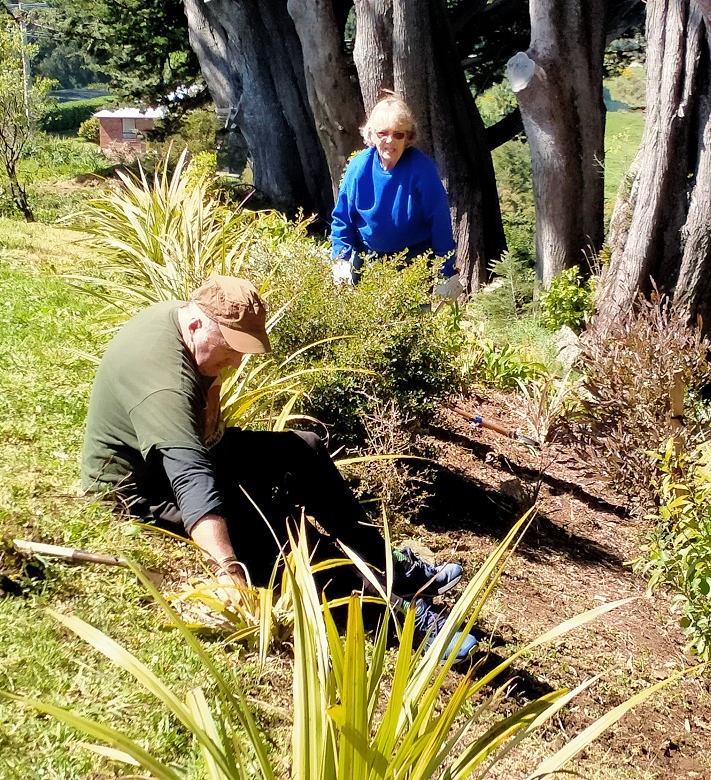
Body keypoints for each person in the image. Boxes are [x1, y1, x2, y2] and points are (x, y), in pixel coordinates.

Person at [81, 274, 477, 660]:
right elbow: (189, 476)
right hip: (140, 490)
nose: (237, 360)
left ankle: (386, 564)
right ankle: (404, 618)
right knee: (277, 530)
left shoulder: (184, 323)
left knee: (303, 449)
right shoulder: (164, 382)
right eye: (231, 348)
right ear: (199, 323)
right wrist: (227, 569)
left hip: (190, 452)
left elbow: (204, 428)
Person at [330, 94, 463, 299]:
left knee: (413, 318)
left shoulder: (422, 169)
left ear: (408, 138)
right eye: (383, 133)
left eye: (398, 134)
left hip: (414, 261)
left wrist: (446, 271)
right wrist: (341, 259)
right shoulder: (359, 167)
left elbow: (439, 221)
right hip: (368, 260)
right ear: (372, 135)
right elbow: (342, 219)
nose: (390, 140)